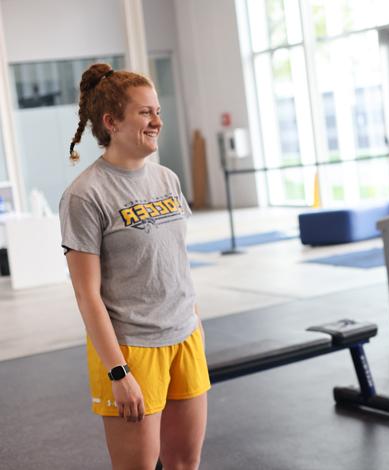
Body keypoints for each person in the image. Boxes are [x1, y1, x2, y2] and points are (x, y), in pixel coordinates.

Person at [59, 63, 210, 470]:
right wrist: (117, 373)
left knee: (185, 464)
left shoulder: (167, 180)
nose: (157, 121)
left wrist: (194, 321)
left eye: (157, 111)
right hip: (132, 350)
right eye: (145, 112)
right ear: (111, 122)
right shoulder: (85, 195)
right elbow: (86, 294)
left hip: (185, 339)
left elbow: (176, 261)